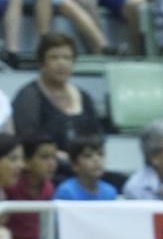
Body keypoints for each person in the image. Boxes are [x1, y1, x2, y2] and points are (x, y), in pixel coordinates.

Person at [11, 33, 100, 161]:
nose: (61, 63)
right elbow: (28, 142)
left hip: (83, 166)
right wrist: (60, 158)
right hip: (47, 168)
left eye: (67, 58)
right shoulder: (28, 97)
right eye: (54, 57)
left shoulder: (84, 96)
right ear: (42, 62)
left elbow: (97, 136)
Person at [53, 134, 116, 200]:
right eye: (88, 156)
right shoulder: (66, 192)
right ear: (75, 164)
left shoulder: (110, 192)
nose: (96, 160)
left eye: (100, 154)